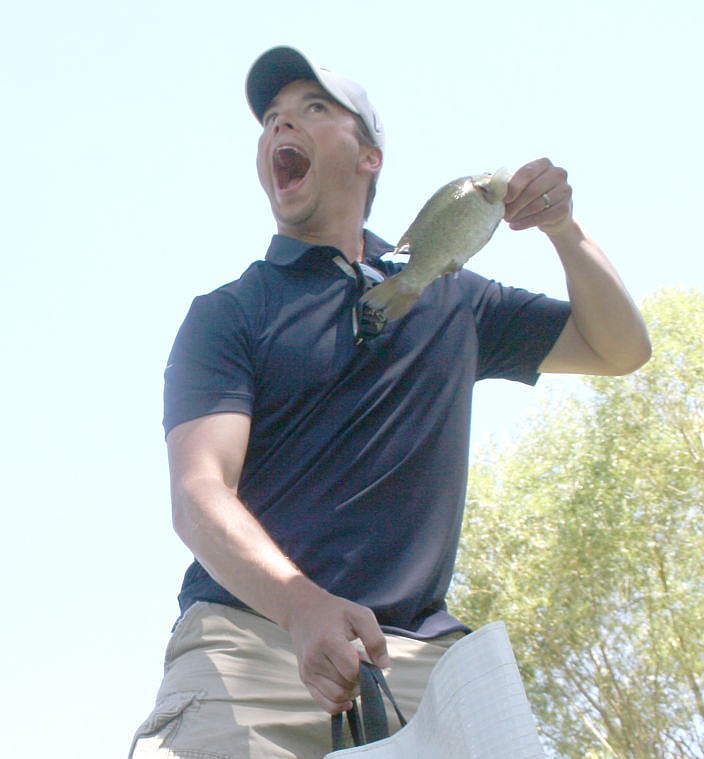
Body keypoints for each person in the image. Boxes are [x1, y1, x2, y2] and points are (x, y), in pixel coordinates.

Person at [129, 45, 651, 758]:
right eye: (272, 119)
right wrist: (300, 604)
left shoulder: (452, 298)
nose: (283, 127)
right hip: (249, 649)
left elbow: (620, 347)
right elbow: (198, 493)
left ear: (370, 155)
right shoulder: (229, 313)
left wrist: (564, 227)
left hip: (426, 664)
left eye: (314, 109)